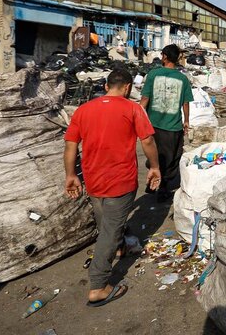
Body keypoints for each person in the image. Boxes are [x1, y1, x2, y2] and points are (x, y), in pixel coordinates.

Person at [64, 68, 161, 307]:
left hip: (93, 180)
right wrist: (155, 167)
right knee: (109, 230)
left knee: (105, 221)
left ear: (107, 86)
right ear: (128, 88)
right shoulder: (132, 108)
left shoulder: (83, 110)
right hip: (121, 181)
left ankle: (118, 249)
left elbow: (70, 145)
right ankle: (98, 286)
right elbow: (147, 140)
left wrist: (70, 175)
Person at [140, 44, 193, 203]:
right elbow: (185, 103)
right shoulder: (182, 78)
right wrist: (186, 121)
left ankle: (152, 182)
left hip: (153, 125)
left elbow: (144, 100)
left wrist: (138, 120)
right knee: (171, 158)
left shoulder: (153, 74)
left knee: (154, 155)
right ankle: (162, 188)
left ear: (164, 56)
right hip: (172, 127)